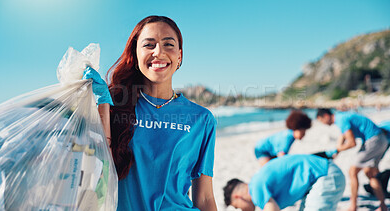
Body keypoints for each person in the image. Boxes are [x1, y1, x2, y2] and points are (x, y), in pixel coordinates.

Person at [84, 16, 217, 210]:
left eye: (168, 44)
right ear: (136, 55)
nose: (158, 52)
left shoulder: (202, 119)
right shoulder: (116, 108)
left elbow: (205, 197)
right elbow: (99, 170)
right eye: (149, 45)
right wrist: (102, 103)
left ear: (179, 55)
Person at [316, 108, 389, 211]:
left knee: (352, 171)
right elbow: (344, 135)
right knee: (369, 173)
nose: (322, 123)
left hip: (373, 141)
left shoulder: (340, 120)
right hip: (381, 140)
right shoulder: (342, 116)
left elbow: (352, 143)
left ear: (326, 116)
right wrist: (338, 151)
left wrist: (336, 149)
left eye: (321, 120)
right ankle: (383, 206)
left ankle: (353, 206)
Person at [223, 154, 345, 211]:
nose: (242, 210)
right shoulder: (257, 181)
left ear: (238, 197)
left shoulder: (255, 190)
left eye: (237, 207)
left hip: (325, 176)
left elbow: (272, 209)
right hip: (324, 175)